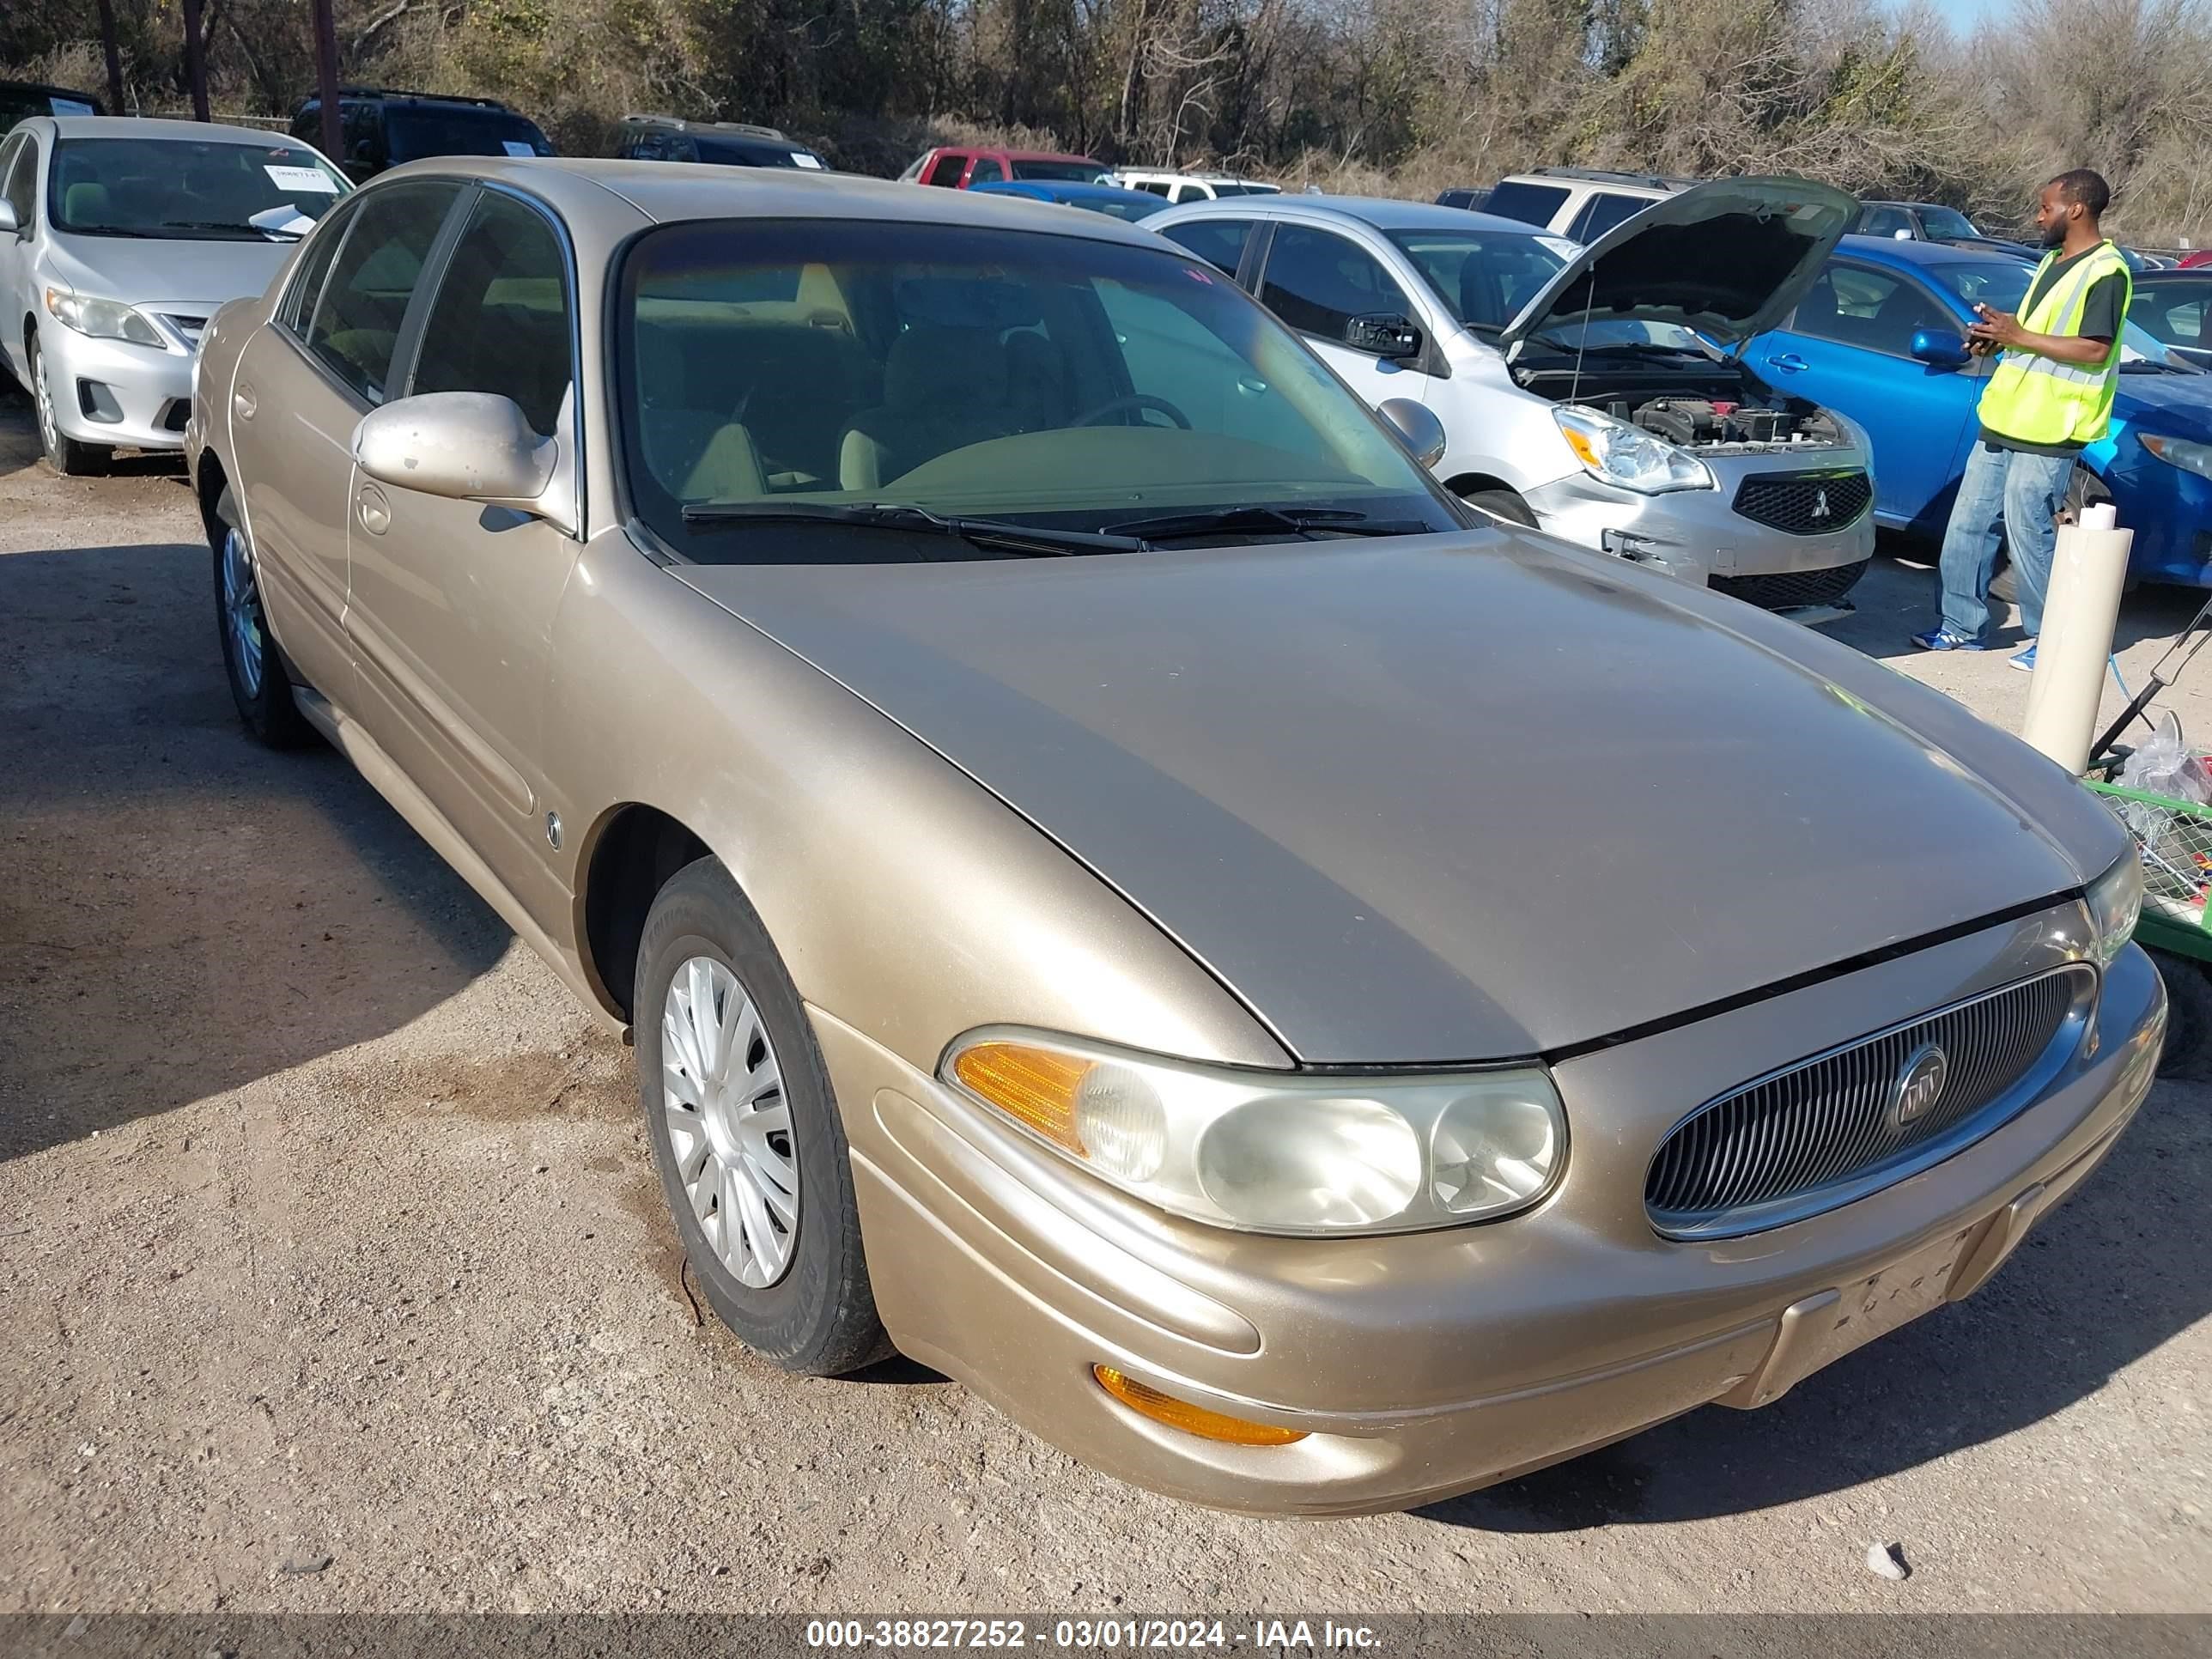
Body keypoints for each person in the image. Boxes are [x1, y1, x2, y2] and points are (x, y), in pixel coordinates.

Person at [1912, 169, 2132, 670]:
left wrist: (2019, 336)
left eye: (2046, 206)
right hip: (2007, 418)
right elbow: (2036, 336)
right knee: (1968, 525)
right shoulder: (2054, 261)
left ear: (2075, 209)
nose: (2038, 215)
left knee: (2031, 531)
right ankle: (1960, 626)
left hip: (2051, 428)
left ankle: (2054, 642)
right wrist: (1996, 337)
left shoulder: (2106, 271)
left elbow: (2094, 349)